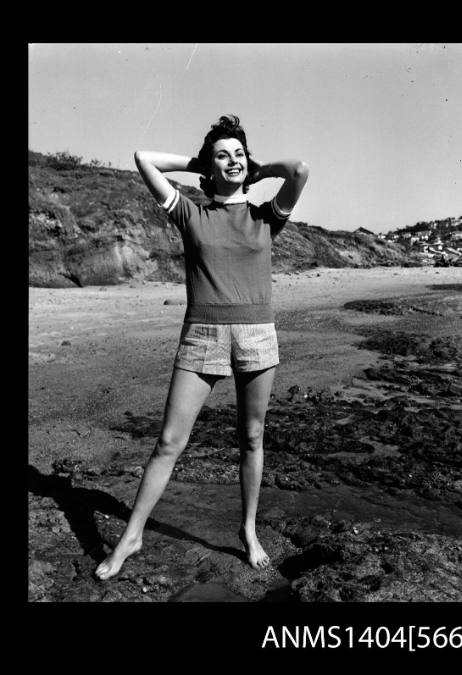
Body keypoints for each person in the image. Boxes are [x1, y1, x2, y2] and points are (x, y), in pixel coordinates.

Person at [95, 114, 309, 579]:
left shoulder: (264, 217)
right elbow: (143, 159)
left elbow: (299, 170)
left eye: (237, 154)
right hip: (202, 335)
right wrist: (197, 163)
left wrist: (254, 168)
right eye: (221, 155)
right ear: (207, 168)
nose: (231, 161)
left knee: (252, 437)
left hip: (257, 335)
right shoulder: (190, 213)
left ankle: (248, 531)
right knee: (169, 441)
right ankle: (131, 537)